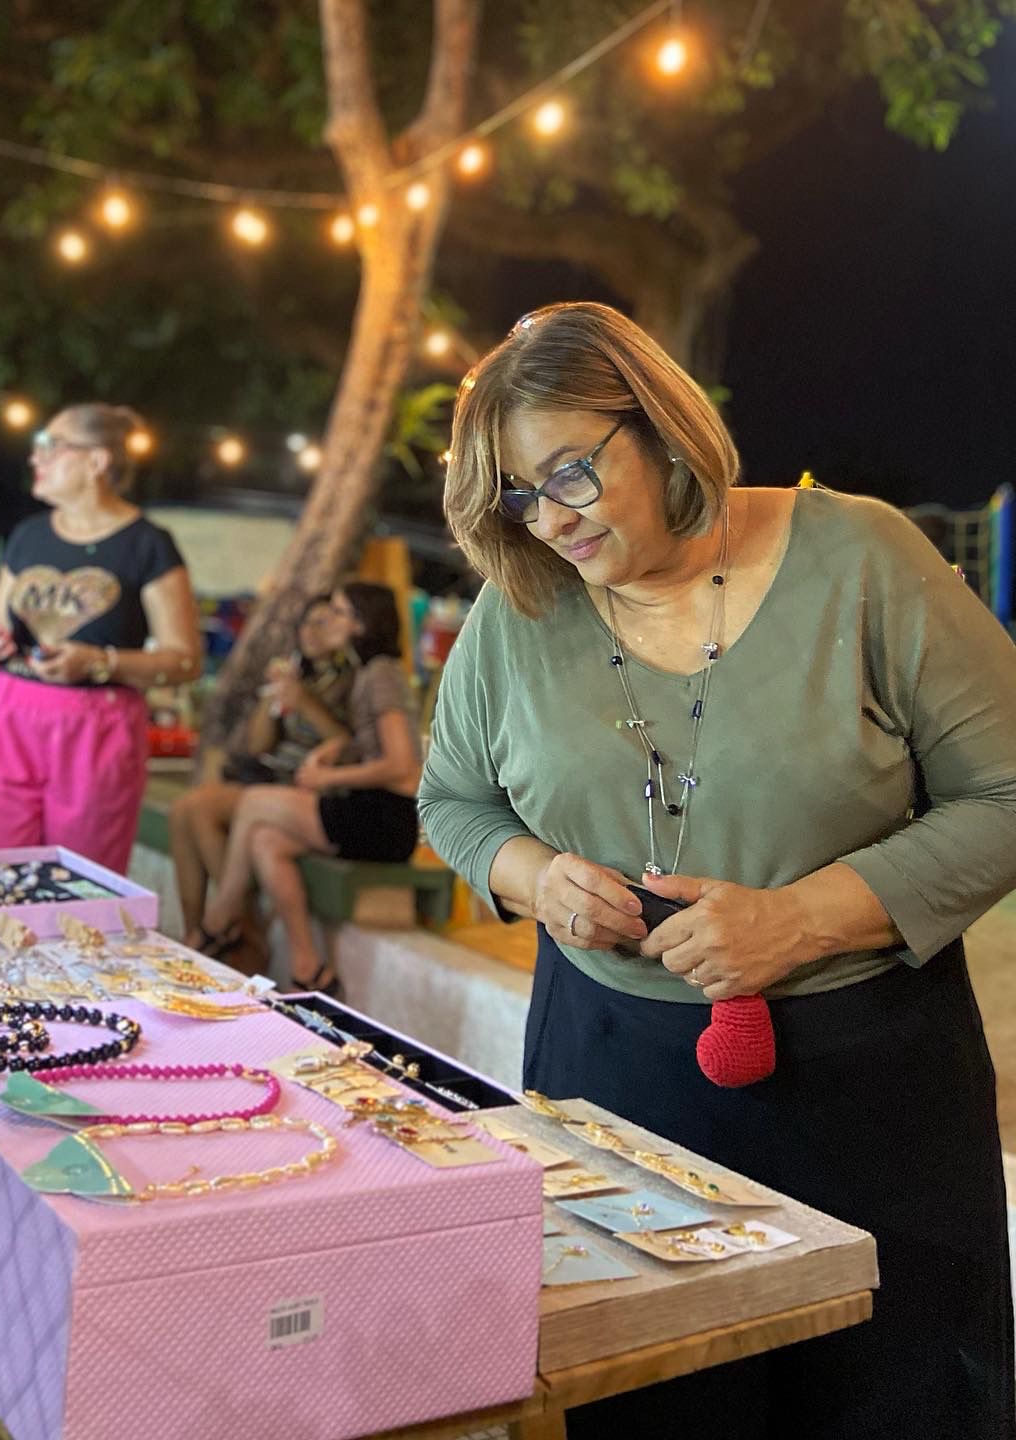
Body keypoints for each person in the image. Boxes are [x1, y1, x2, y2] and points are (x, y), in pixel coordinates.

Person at [418, 301, 1016, 1438]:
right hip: (611, 1081)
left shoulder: (863, 559)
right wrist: (528, 874)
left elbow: (1008, 790)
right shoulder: (520, 605)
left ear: (658, 425)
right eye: (518, 495)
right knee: (653, 1411)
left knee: (890, 1397)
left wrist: (808, 920)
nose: (550, 521)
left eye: (572, 474)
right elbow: (453, 800)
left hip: (869, 1085)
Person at [0, 404, 200, 873]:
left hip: (97, 730)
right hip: (11, 715)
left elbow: (185, 660)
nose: (36, 459)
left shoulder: (147, 544)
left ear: (97, 461)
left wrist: (99, 661)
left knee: (78, 881)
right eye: (37, 447)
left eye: (52, 447)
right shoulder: (29, 536)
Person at [197, 582, 422, 994]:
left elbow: (404, 767)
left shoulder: (382, 673)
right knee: (265, 840)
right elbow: (369, 745)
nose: (325, 620)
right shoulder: (368, 674)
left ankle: (217, 922)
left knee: (254, 803)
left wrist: (328, 778)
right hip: (368, 809)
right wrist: (337, 749)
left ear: (360, 625)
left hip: (386, 818)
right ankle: (308, 968)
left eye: (336, 612)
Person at [170, 594, 353, 959]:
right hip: (273, 779)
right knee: (182, 811)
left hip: (308, 790)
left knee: (202, 808)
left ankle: (241, 935)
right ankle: (197, 933)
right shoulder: (299, 673)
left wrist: (303, 702)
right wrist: (272, 701)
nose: (312, 632)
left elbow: (348, 744)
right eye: (307, 623)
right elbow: (257, 745)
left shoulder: (349, 679)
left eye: (324, 622)